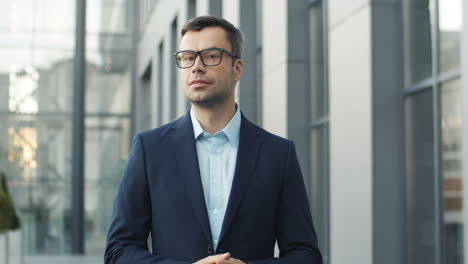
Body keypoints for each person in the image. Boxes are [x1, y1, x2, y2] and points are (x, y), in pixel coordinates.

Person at [105, 16, 322, 264]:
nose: (196, 66)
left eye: (210, 55)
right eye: (187, 57)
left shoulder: (278, 154)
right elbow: (118, 251)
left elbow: (306, 256)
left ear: (237, 68)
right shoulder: (150, 150)